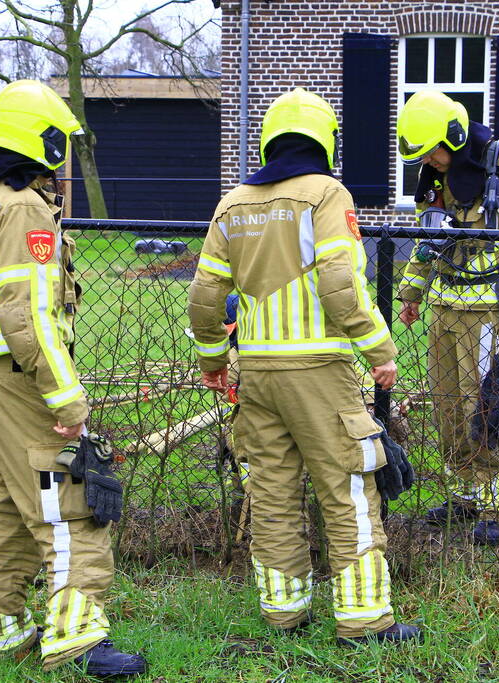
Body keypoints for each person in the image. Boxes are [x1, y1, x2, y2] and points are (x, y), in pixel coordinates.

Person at [187, 87, 422, 646]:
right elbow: (341, 285)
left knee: (270, 492)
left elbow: (203, 296)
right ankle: (364, 621)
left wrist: (213, 359)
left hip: (257, 372)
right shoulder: (326, 194)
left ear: (271, 138)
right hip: (320, 371)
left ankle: (283, 613)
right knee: (347, 488)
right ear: (326, 140)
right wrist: (380, 350)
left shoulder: (233, 203)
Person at [0, 80, 146, 677]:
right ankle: (77, 640)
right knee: (67, 500)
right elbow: (28, 312)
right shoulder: (25, 206)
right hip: (19, 373)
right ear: (44, 140)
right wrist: (66, 394)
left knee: (5, 503)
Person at [395, 89, 499, 546]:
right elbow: (427, 240)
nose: (430, 160)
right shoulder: (433, 177)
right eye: (422, 155)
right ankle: (467, 495)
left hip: (493, 311)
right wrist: (412, 291)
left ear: (455, 133)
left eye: (433, 150)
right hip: (444, 310)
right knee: (448, 410)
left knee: (488, 409)